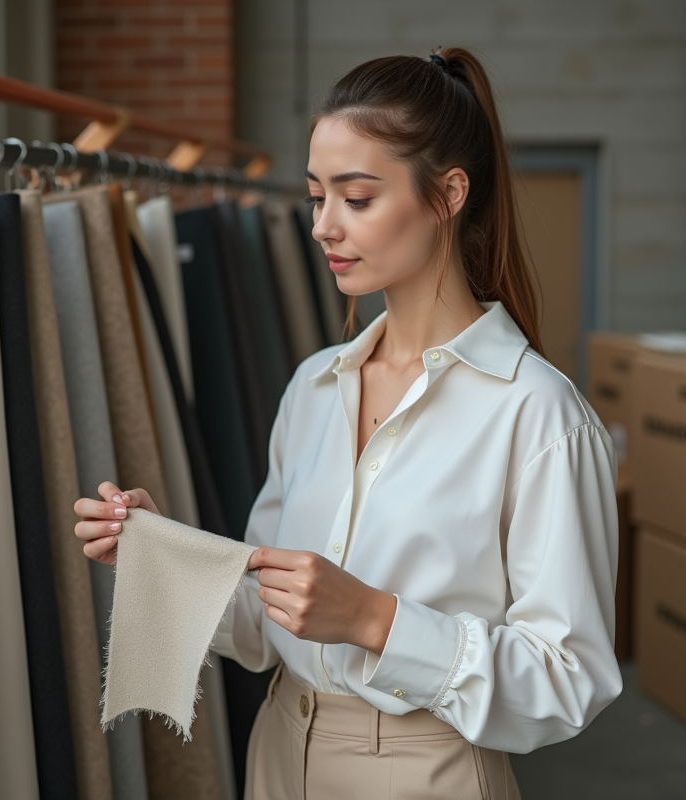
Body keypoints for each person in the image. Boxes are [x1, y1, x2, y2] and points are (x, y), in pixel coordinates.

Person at [74, 46, 621, 800]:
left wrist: (374, 619)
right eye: (315, 197)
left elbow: (570, 681)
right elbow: (269, 629)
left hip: (426, 773)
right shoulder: (312, 388)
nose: (323, 226)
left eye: (356, 198)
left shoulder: (539, 414)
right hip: (279, 752)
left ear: (448, 194)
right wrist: (168, 555)